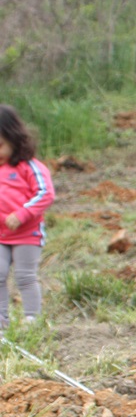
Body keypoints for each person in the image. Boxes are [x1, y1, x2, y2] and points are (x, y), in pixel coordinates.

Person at [0, 105, 55, 327]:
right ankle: (2, 322)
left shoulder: (29, 166)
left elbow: (45, 193)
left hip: (27, 235)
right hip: (1, 236)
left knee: (25, 276)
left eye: (0, 145)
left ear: (14, 139)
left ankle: (32, 319)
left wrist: (22, 214)